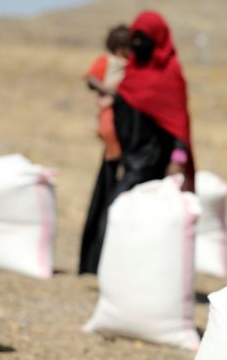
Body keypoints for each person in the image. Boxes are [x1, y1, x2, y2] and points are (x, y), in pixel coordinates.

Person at [78, 10, 195, 275]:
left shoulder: (170, 73)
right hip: (126, 152)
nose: (139, 46)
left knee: (135, 215)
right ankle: (99, 268)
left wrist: (177, 159)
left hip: (156, 161)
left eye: (144, 39)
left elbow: (178, 121)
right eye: (135, 39)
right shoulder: (132, 70)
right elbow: (123, 101)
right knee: (110, 208)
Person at [78, 25, 130, 275]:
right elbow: (91, 79)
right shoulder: (110, 63)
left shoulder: (128, 66)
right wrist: (110, 91)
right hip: (114, 127)